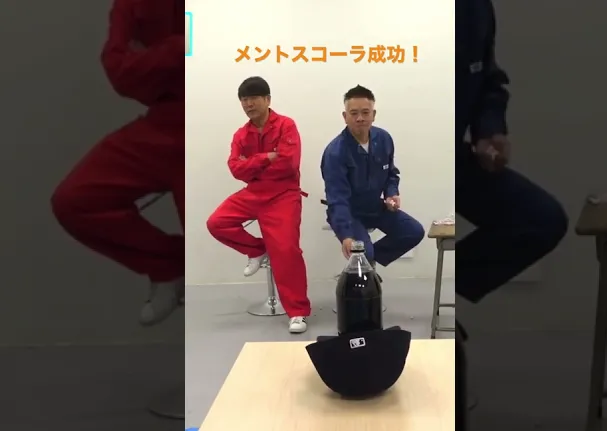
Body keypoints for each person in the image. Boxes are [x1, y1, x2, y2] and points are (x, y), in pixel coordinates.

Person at [455, 0, 567, 431]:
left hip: (450, 154)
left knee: (540, 219)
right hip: (388, 154)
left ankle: (442, 292)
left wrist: (488, 130)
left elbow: (489, 80)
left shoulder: (474, 6)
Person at [50, 0, 186, 327]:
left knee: (217, 242)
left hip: (222, 117)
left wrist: (153, 58)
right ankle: (172, 266)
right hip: (166, 121)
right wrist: (183, 46)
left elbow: (235, 51)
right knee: (75, 200)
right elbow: (121, 73)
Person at [206, 77, 312, 334]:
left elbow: (289, 164)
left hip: (284, 194)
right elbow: (235, 169)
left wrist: (251, 163)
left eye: (253, 98)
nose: (248, 104)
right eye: (244, 100)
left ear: (267, 99)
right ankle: (257, 249)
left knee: (286, 249)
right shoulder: (241, 134)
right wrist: (266, 157)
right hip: (254, 192)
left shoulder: (286, 125)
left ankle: (297, 311)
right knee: (216, 223)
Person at [320, 85, 425, 270]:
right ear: (345, 116)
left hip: (375, 207)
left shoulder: (384, 139)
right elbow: (337, 198)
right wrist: (346, 234)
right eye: (354, 113)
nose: (360, 118)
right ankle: (363, 264)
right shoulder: (335, 152)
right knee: (362, 252)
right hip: (349, 212)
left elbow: (391, 173)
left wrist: (391, 193)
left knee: (414, 231)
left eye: (365, 112)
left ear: (373, 114)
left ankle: (368, 262)